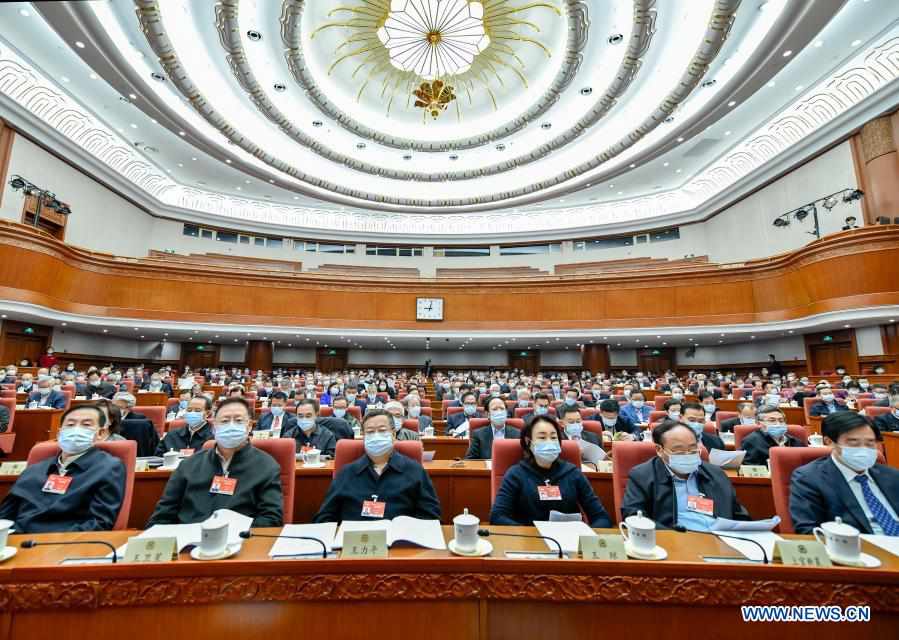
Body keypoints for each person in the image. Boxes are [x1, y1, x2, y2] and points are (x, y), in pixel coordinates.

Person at [147, 398, 283, 527]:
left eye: (238, 420)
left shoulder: (266, 466)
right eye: (224, 421)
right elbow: (163, 515)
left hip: (240, 541)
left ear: (249, 427)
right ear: (214, 427)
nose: (231, 426)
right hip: (189, 541)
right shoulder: (189, 465)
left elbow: (271, 519)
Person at [0, 405, 125, 532]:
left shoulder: (108, 467)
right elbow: (5, 514)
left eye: (86, 424)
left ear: (101, 433)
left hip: (64, 543)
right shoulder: (35, 469)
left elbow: (100, 523)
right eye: (70, 425)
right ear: (60, 433)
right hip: (14, 542)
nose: (76, 429)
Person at [312, 409, 441, 522]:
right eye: (370, 432)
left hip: (399, 544)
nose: (376, 436)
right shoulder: (347, 473)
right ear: (364, 437)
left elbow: (431, 515)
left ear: (393, 434)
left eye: (382, 430)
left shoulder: (414, 471)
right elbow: (324, 517)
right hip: (353, 544)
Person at [621, 420, 749, 529]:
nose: (687, 454)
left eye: (692, 448)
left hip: (718, 538)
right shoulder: (643, 476)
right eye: (679, 450)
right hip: (672, 540)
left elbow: (737, 513)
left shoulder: (716, 474)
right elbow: (634, 516)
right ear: (660, 450)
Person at [490, 414, 611, 527]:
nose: (549, 441)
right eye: (542, 437)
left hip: (569, 542)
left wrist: (586, 540)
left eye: (553, 437)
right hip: (528, 543)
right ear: (528, 442)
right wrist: (529, 535)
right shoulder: (516, 474)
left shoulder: (573, 473)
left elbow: (601, 517)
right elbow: (498, 516)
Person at [790, 412, 899, 535]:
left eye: (870, 443)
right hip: (857, 548)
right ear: (829, 442)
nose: (863, 449)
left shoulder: (892, 475)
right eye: (854, 443)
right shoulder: (809, 478)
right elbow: (808, 530)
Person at [739, 406, 806, 465]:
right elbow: (749, 468)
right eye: (772, 420)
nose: (778, 424)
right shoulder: (751, 441)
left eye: (781, 420)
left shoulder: (796, 442)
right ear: (759, 423)